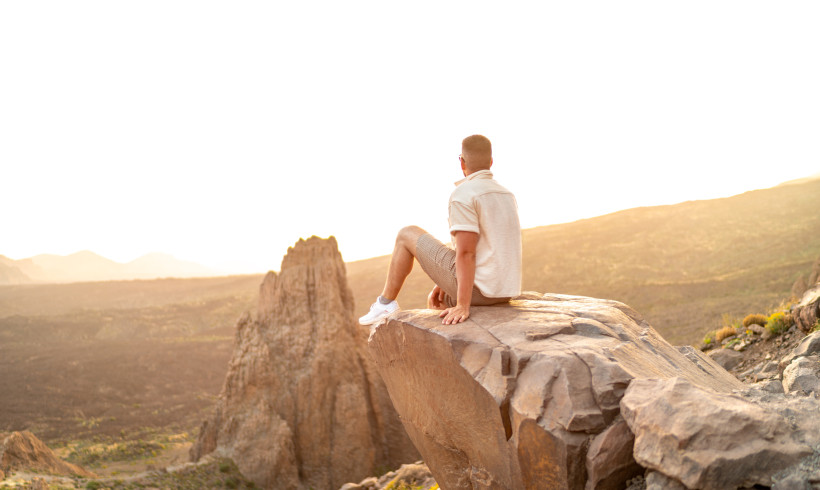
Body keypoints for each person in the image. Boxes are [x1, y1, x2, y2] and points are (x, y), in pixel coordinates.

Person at [358, 134, 522, 326]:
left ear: (462, 162)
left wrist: (462, 305)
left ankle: (384, 304)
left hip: (480, 291)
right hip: (503, 294)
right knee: (438, 302)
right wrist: (443, 280)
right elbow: (490, 246)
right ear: (491, 162)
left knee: (406, 234)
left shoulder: (464, 193)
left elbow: (467, 252)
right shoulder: (507, 195)